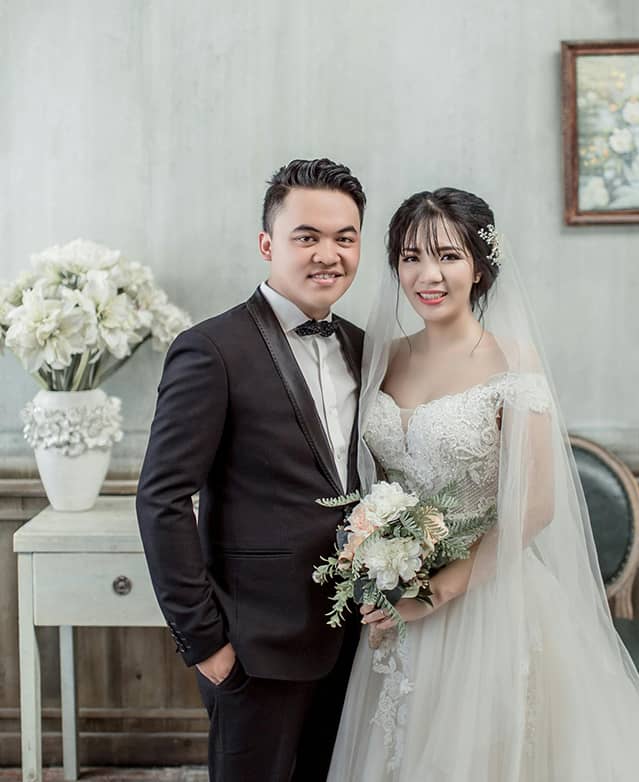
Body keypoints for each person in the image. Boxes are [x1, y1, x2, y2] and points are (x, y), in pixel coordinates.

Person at [327, 187, 639, 780]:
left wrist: (436, 591)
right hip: (398, 597)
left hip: (489, 598)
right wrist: (381, 563)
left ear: (480, 266)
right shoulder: (381, 357)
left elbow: (536, 505)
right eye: (411, 257)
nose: (427, 274)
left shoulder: (513, 361)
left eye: (447, 255)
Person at [136, 158, 365, 782]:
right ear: (267, 244)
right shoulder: (211, 349)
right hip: (254, 648)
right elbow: (161, 499)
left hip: (355, 639)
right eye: (307, 236)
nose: (328, 254)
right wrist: (207, 644)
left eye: (345, 238)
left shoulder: (362, 346)